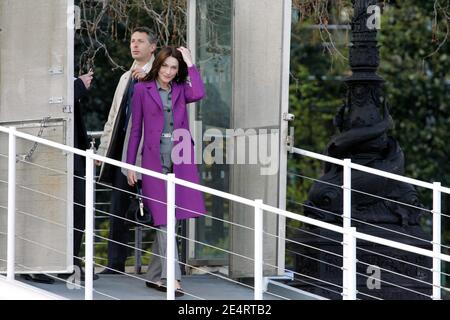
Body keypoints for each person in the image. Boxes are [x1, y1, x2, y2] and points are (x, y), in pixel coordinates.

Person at [126, 46, 206, 297]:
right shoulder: (141, 89)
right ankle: (172, 279)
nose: (169, 72)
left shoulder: (182, 89)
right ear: (157, 65)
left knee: (172, 219)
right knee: (163, 219)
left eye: (174, 67)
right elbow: (135, 128)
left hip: (180, 159)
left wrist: (190, 63)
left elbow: (199, 92)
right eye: (165, 66)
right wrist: (130, 164)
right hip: (152, 162)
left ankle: (154, 275)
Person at [96, 27, 158, 274]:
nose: (135, 45)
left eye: (141, 41)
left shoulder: (160, 74)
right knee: (118, 206)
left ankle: (162, 267)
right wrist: (102, 151)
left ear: (152, 47)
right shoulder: (125, 77)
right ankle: (115, 264)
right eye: (132, 41)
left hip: (151, 152)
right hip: (123, 151)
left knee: (157, 209)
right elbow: (113, 117)